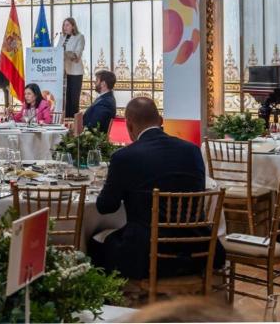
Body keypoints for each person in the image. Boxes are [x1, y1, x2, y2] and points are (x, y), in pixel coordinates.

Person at [90, 97, 218, 279]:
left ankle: (117, 302)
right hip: (196, 247)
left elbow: (105, 206)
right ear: (161, 121)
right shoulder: (192, 150)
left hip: (147, 253)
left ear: (129, 125)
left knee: (96, 244)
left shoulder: (124, 157)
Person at [55, 17, 85, 118]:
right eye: (64, 25)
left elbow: (77, 55)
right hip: (62, 72)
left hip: (75, 72)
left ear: (73, 26)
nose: (65, 27)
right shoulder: (62, 37)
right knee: (65, 99)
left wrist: (63, 53)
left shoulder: (79, 37)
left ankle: (73, 122)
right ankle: (65, 120)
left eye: (67, 25)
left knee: (73, 99)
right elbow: (56, 51)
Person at [79, 70, 117, 136]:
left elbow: (93, 126)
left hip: (92, 140)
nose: (94, 83)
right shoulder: (105, 98)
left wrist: (78, 129)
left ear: (103, 83)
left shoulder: (105, 102)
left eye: (97, 80)